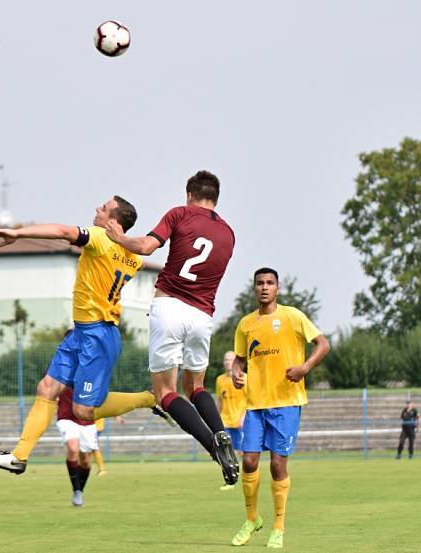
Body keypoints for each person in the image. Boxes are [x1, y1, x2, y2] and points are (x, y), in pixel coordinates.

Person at [0, 196, 160, 474]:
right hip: (83, 332)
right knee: (47, 388)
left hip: (98, 335)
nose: (96, 210)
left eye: (102, 208)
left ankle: (150, 399)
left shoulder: (101, 237)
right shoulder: (133, 255)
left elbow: (64, 232)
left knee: (83, 411)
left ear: (113, 220)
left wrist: (18, 233)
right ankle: (18, 456)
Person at [104, 170, 239, 485]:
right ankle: (221, 433)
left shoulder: (179, 213)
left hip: (169, 308)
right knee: (197, 388)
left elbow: (148, 246)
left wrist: (118, 237)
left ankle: (212, 447)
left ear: (189, 195)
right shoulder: (229, 233)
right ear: (215, 198)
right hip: (203, 316)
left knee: (166, 392)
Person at [229, 268, 330, 549]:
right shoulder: (246, 324)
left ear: (278, 288)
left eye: (269, 283)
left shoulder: (292, 316)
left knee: (276, 465)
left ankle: (278, 526)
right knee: (248, 461)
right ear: (254, 288)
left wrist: (305, 367)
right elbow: (239, 359)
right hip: (255, 404)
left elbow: (323, 343)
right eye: (260, 283)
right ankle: (252, 519)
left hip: (286, 403)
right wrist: (237, 374)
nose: (264, 287)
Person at [56, 387, 98, 506]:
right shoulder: (63, 370)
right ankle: (76, 491)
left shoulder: (91, 373)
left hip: (87, 421)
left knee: (85, 460)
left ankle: (79, 491)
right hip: (67, 417)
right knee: (73, 449)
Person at [216, 350, 247, 490]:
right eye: (225, 359)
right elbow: (219, 401)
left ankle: (247, 479)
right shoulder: (220, 380)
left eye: (230, 359)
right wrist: (216, 419)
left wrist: (244, 416)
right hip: (225, 421)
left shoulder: (244, 378)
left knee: (243, 453)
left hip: (240, 422)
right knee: (225, 453)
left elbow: (250, 400)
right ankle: (230, 482)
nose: (227, 362)